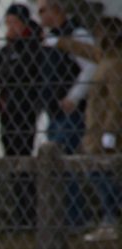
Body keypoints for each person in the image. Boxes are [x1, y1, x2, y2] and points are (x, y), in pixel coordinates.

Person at [50, 15, 122, 243]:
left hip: (104, 132)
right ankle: (110, 217)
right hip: (95, 129)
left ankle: (112, 218)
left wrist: (110, 132)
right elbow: (87, 51)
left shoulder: (115, 65)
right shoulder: (106, 58)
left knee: (100, 173)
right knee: (98, 172)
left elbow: (116, 102)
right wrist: (60, 42)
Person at [0, 4, 45, 231]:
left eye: (14, 23)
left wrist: (9, 76)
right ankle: (20, 213)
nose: (10, 28)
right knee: (12, 162)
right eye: (8, 23)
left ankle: (30, 214)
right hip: (7, 110)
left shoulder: (33, 46)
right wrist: (9, 76)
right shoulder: (8, 49)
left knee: (24, 159)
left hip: (24, 111)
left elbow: (25, 74)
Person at [39, 0, 97, 230]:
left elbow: (91, 66)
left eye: (43, 10)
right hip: (54, 112)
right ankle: (66, 217)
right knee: (57, 165)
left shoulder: (76, 34)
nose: (40, 16)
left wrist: (74, 96)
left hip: (71, 112)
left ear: (57, 10)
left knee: (65, 163)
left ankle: (76, 218)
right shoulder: (51, 39)